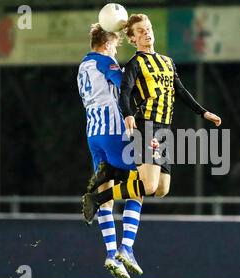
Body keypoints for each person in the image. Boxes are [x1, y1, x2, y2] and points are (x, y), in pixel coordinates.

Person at [82, 14, 222, 224]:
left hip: (164, 128)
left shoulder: (167, 62)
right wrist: (128, 114)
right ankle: (98, 198)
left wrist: (202, 112)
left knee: (161, 189)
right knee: (147, 186)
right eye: (140, 31)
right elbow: (125, 92)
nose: (146, 33)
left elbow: (180, 90)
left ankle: (109, 173)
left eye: (148, 29)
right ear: (132, 39)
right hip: (146, 126)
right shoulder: (134, 64)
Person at [77, 23, 143, 278]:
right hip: (114, 130)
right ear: (106, 45)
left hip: (93, 133)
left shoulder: (83, 66)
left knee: (108, 193)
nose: (116, 50)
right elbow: (127, 85)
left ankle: (110, 253)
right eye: (115, 45)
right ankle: (126, 248)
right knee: (141, 185)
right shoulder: (106, 62)